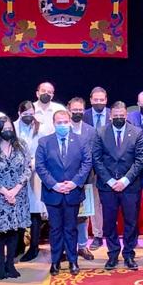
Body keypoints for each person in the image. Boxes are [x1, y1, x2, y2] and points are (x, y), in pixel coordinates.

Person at [35, 110, 93, 275]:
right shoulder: (44, 142)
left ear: (69, 122)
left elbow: (87, 163)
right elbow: (40, 166)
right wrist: (54, 185)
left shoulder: (81, 141)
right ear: (54, 124)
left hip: (73, 192)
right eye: (59, 122)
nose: (62, 125)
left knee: (71, 228)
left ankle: (73, 261)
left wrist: (74, 183)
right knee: (55, 229)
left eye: (65, 122)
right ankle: (55, 262)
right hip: (53, 193)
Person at [93, 101, 143, 270]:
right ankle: (113, 254)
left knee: (131, 221)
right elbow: (97, 159)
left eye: (121, 116)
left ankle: (129, 254)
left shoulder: (137, 132)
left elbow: (140, 159)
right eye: (115, 116)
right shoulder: (101, 132)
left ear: (126, 115)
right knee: (109, 222)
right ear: (110, 116)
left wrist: (125, 180)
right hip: (107, 186)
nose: (118, 118)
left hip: (130, 186)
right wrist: (110, 181)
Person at [0, 116, 33, 280]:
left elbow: (27, 169)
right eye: (4, 128)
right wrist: (6, 192)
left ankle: (11, 264)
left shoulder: (22, 146)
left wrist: (16, 189)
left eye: (10, 127)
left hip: (18, 195)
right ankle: (1, 265)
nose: (8, 130)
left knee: (13, 231)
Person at [68, 97, 98, 260]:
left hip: (85, 180)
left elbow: (92, 156)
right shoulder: (64, 128)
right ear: (69, 109)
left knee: (83, 215)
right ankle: (69, 247)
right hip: (65, 181)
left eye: (80, 110)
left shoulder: (91, 130)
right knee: (68, 215)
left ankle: (82, 246)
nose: (78, 113)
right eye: (75, 110)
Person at [15, 101, 46, 260]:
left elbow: (43, 150)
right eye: (25, 114)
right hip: (16, 175)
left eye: (31, 114)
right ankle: (19, 245)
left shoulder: (41, 128)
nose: (28, 117)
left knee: (34, 211)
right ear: (19, 113)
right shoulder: (13, 127)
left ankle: (34, 247)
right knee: (19, 210)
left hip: (35, 174)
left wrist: (33, 163)